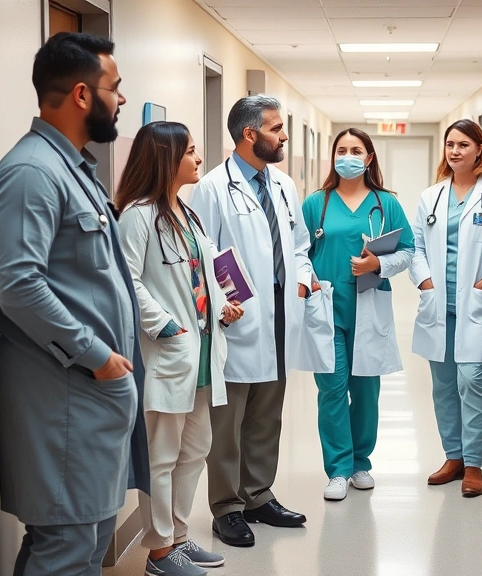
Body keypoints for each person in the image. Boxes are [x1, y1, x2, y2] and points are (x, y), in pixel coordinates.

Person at [0, 32, 150, 575]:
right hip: (65, 399)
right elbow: (18, 283)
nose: (120, 99)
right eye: (113, 88)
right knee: (68, 548)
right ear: (81, 95)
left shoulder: (74, 169)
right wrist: (94, 353)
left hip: (89, 400)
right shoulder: (32, 174)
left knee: (79, 543)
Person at [116, 122, 245, 575]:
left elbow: (206, 274)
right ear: (166, 159)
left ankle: (180, 537)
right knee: (163, 455)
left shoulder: (186, 214)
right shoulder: (138, 215)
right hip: (170, 352)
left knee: (195, 450)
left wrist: (227, 305)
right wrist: (166, 326)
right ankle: (157, 553)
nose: (198, 158)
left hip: (203, 353)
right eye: (190, 151)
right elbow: (126, 281)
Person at [189, 95, 314, 547]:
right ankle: (227, 507)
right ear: (249, 134)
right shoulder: (211, 189)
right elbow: (203, 257)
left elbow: (299, 246)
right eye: (276, 129)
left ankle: (258, 494)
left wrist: (302, 280)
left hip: (281, 316)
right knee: (229, 421)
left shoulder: (283, 184)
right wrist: (225, 301)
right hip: (237, 319)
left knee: (267, 414)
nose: (283, 136)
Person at [301, 128, 415, 502]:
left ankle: (361, 463)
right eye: (341, 150)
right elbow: (299, 253)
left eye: (356, 150)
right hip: (326, 307)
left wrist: (377, 263)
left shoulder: (386, 203)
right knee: (331, 390)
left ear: (368, 159)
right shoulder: (316, 203)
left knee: (366, 391)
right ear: (333, 156)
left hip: (369, 303)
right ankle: (337, 469)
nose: (347, 156)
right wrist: (307, 281)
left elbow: (408, 252)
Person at [409, 119, 482, 497]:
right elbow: (416, 247)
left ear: (479, 151)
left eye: (463, 144)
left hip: (476, 301)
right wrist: (424, 281)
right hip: (439, 304)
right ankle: (453, 456)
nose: (455, 151)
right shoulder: (431, 196)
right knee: (442, 386)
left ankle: (473, 464)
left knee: (471, 381)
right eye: (450, 144)